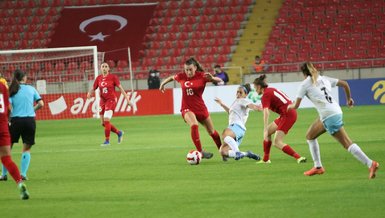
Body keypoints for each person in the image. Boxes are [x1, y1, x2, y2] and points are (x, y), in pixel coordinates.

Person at [287, 62, 379, 178]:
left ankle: (370, 163)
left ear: (303, 73)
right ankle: (318, 167)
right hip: (333, 112)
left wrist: (289, 106)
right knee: (310, 136)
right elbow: (345, 84)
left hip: (329, 116)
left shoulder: (305, 84)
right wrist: (349, 99)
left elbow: (296, 105)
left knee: (347, 144)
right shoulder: (324, 79)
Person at [159, 57, 223, 159]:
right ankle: (200, 151)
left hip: (200, 108)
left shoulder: (202, 76)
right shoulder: (181, 76)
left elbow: (220, 80)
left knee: (212, 132)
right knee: (194, 125)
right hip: (187, 108)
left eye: (190, 69)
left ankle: (222, 151)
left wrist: (212, 78)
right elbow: (171, 77)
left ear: (195, 68)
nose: (188, 72)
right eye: (186, 70)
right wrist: (163, 83)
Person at [0, 69, 44, 181]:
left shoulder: (12, 90)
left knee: (7, 149)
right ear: (24, 78)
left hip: (16, 121)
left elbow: (8, 107)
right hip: (30, 121)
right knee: (26, 149)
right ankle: (23, 174)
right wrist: (32, 110)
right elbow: (41, 103)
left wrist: (9, 117)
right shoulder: (32, 89)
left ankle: (4, 175)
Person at [253, 74, 306, 164]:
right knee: (269, 132)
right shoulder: (271, 90)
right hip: (287, 113)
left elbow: (266, 112)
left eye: (255, 87)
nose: (255, 90)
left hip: (287, 115)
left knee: (277, 142)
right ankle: (266, 159)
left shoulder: (265, 94)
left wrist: (265, 127)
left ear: (259, 86)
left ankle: (299, 157)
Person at [214, 84, 262, 161]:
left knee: (224, 134)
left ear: (245, 94)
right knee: (223, 151)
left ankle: (237, 152)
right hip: (238, 131)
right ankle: (247, 154)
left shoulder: (242, 100)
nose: (238, 94)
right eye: (237, 92)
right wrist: (221, 104)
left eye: (241, 92)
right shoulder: (237, 102)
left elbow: (251, 105)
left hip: (237, 127)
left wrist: (257, 107)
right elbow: (230, 112)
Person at [87, 62, 131, 146]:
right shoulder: (98, 78)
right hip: (102, 101)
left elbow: (121, 88)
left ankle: (107, 141)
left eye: (106, 66)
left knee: (107, 119)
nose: (104, 68)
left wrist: (127, 99)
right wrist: (89, 93)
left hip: (111, 100)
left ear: (108, 69)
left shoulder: (113, 77)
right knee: (103, 123)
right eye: (102, 66)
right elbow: (93, 88)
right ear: (100, 69)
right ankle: (119, 133)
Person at [0, 81, 29, 199]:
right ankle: (20, 183)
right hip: (3, 126)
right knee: (6, 158)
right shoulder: (2, 86)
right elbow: (7, 108)